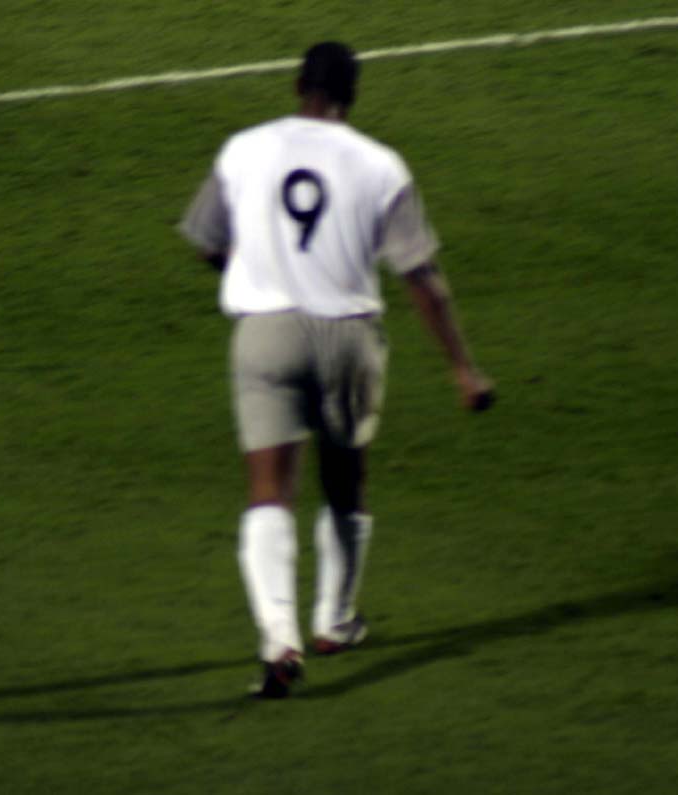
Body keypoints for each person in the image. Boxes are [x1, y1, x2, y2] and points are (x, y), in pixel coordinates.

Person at [179, 41, 494, 699]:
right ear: (353, 95)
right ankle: (335, 619)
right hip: (349, 337)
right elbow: (422, 276)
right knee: (346, 482)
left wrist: (246, 270)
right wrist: (463, 369)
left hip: (265, 335)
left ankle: (279, 640)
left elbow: (204, 238)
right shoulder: (381, 164)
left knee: (269, 491)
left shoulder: (244, 148)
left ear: (298, 85)